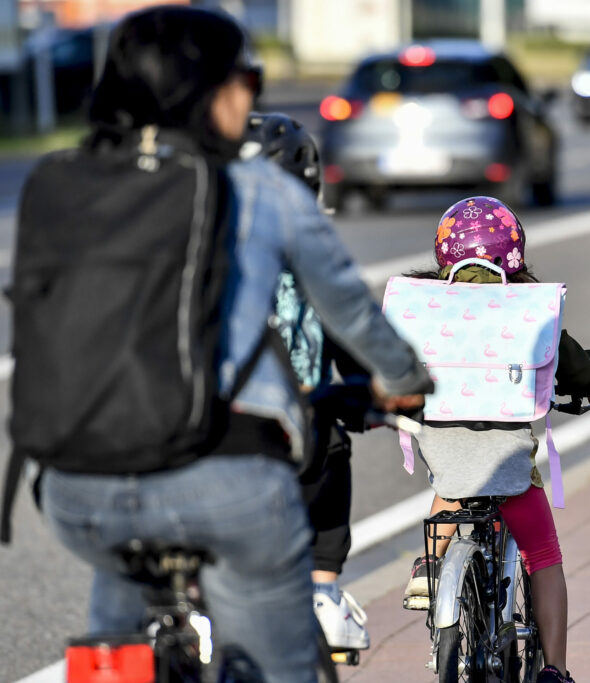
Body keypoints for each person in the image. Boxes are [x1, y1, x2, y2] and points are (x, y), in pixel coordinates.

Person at [34, 8, 432, 683]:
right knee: (282, 654)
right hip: (222, 481)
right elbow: (355, 318)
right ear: (212, 89)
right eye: (247, 78)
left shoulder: (66, 185)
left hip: (76, 485)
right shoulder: (262, 189)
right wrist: (405, 378)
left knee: (120, 586)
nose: (252, 93)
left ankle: (112, 662)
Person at [398, 196, 590, 683]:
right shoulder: (525, 308)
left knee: (451, 486)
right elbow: (576, 366)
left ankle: (427, 566)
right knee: (543, 556)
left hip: (445, 452)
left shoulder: (424, 304)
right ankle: (556, 671)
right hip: (508, 465)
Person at [244, 111, 372, 651]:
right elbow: (351, 332)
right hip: (297, 438)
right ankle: (324, 592)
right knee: (332, 449)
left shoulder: (192, 244)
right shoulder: (307, 252)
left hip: (204, 433)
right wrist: (374, 389)